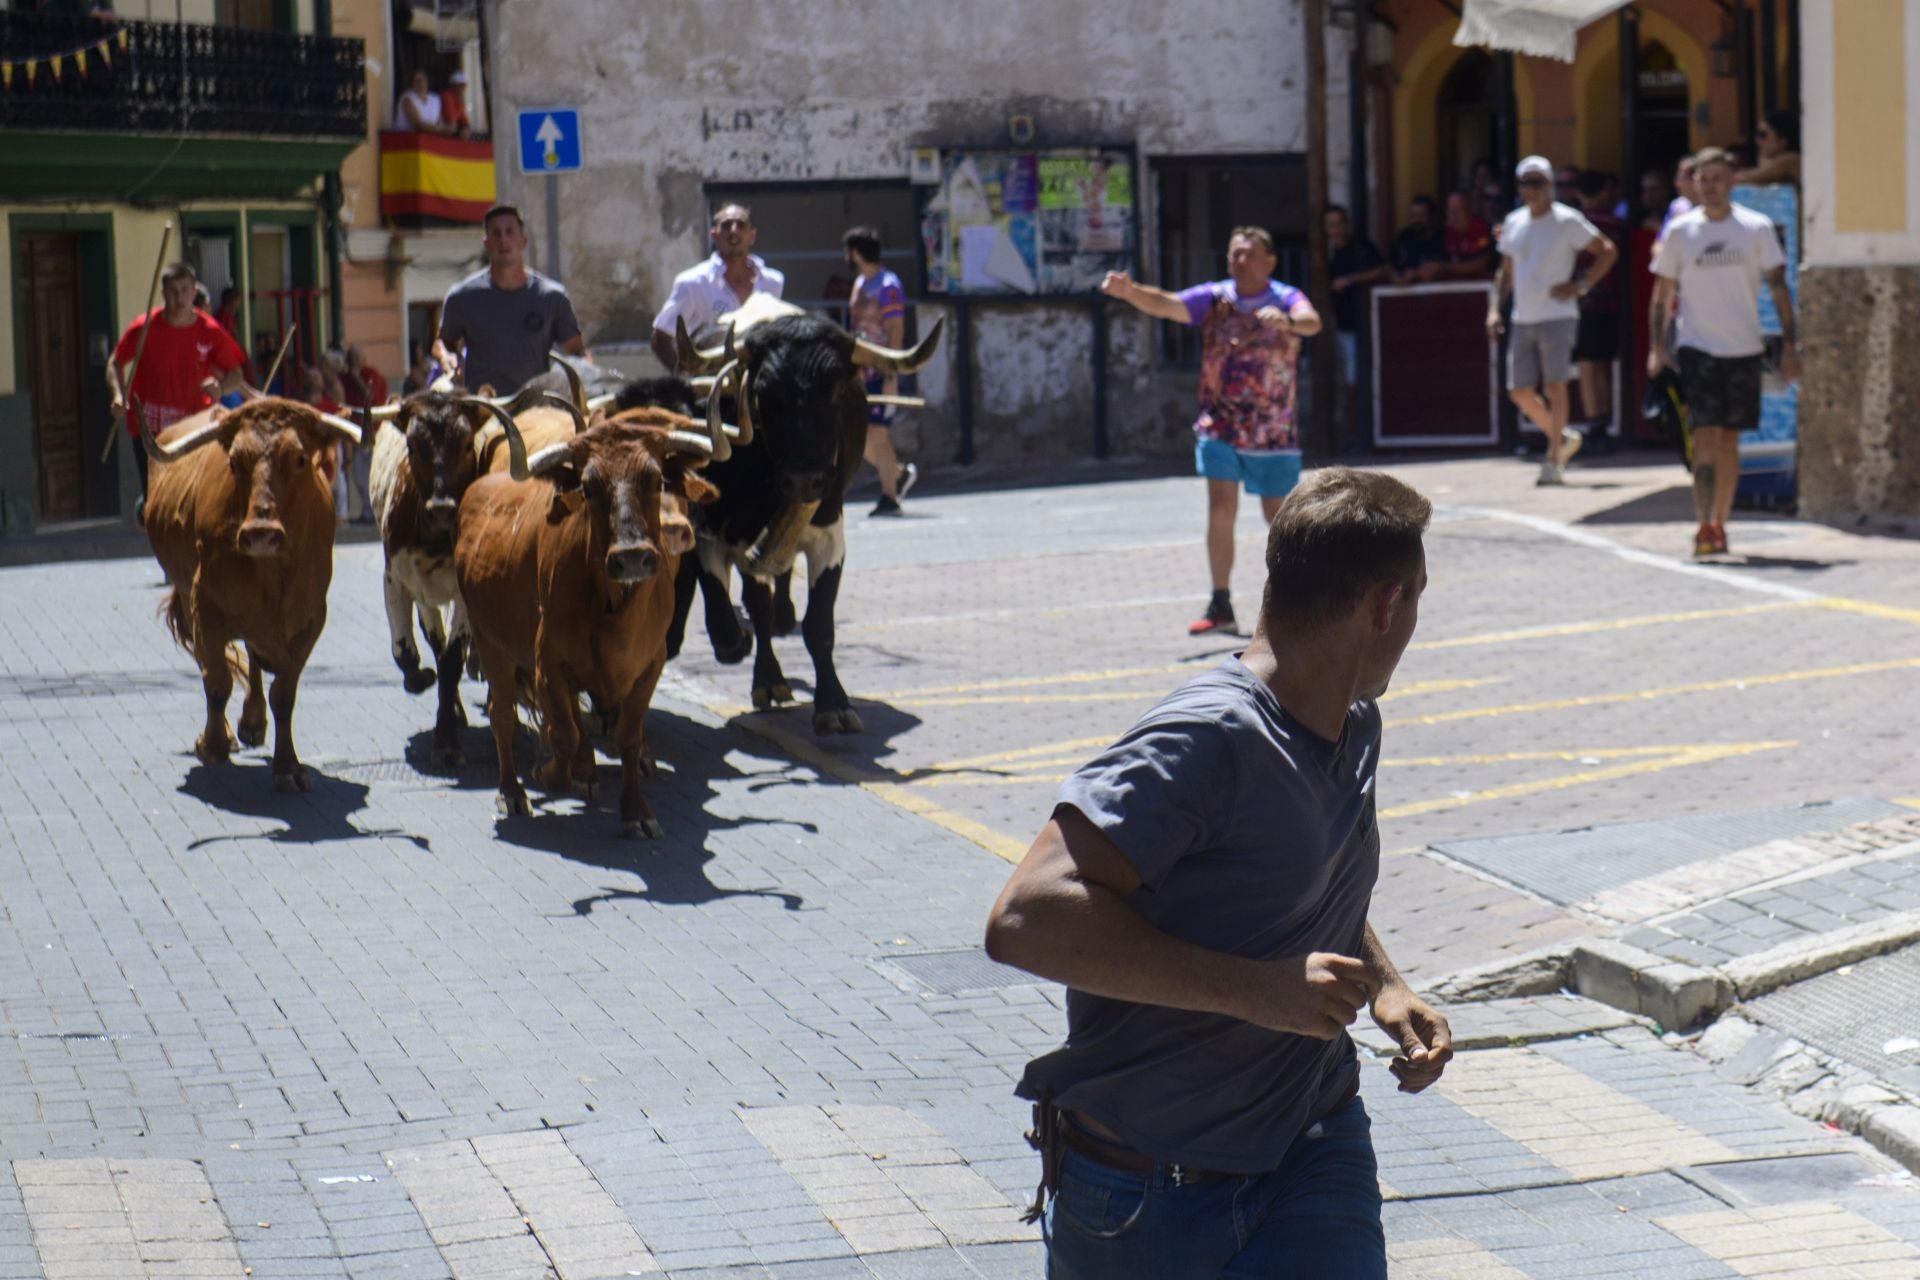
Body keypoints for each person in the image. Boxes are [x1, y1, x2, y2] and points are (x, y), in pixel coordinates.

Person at [984, 467, 1451, 1280]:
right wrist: (1259, 990)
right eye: (1416, 600)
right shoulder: (1206, 736)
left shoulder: (1355, 721)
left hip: (1314, 1145)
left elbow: (1302, 872)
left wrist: (1384, 984)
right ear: (1384, 606)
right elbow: (1024, 916)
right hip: (1149, 1194)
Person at [1100, 227, 1322, 636]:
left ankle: (1304, 598)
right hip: (1220, 424)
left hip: (1271, 429)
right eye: (1234, 254)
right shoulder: (1215, 298)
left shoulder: (1285, 296)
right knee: (1221, 507)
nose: (1239, 261)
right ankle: (1221, 601)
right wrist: (1130, 292)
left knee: (1279, 517)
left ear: (1269, 261)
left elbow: (1312, 322)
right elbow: (1167, 304)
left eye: (1249, 254)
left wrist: (1289, 321)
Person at [1648, 147, 1799, 559]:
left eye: (1717, 178)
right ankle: (1703, 524)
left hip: (1744, 347)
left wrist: (1790, 346)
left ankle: (1720, 522)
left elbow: (1778, 287)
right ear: (1693, 183)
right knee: (1704, 435)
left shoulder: (1756, 228)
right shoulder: (1681, 232)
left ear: (1732, 181)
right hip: (1697, 347)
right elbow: (1662, 293)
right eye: (1703, 179)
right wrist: (1657, 348)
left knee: (1730, 440)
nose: (1710, 186)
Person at [1486, 155, 1619, 485]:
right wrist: (1493, 309)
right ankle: (1560, 437)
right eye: (1525, 183)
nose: (1531, 190)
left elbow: (1607, 250)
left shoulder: (1566, 220)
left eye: (1537, 183)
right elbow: (1505, 271)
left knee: (1556, 386)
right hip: (1523, 316)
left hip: (1558, 314)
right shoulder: (1514, 221)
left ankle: (1552, 458)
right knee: (1518, 391)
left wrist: (1582, 285)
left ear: (1549, 185)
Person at [107, 261, 246, 499]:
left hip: (194, 426)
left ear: (194, 291)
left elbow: (236, 375)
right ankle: (147, 504)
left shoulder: (210, 331)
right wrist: (118, 395)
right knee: (157, 501)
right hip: (150, 428)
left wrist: (221, 387)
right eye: (173, 291)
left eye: (184, 290)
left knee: (195, 495)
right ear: (163, 294)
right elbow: (116, 362)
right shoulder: (144, 327)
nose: (179, 298)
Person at [434, 204, 587, 397]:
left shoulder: (552, 297)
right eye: (496, 233)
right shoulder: (461, 297)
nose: (503, 240)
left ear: (523, 241)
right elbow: (443, 341)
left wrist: (585, 377)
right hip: (484, 410)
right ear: (486, 243)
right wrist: (446, 356)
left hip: (535, 409)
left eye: (510, 232)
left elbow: (577, 351)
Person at [650, 203, 786, 372]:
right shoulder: (693, 282)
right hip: (713, 380)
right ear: (714, 235)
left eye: (741, 225)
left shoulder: (773, 282)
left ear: (752, 236)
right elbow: (661, 337)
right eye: (726, 225)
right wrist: (685, 376)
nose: (734, 231)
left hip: (760, 379)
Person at [843, 226, 919, 517]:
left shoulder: (888, 285)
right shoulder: (861, 283)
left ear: (856, 251)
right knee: (861, 438)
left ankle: (890, 495)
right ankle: (896, 475)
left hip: (881, 372)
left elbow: (895, 330)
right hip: (861, 373)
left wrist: (891, 374)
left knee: (877, 434)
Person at [1573, 170, 1625, 431]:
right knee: (1600, 363)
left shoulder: (1578, 223)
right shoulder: (1614, 222)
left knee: (1588, 364)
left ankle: (1595, 425)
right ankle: (1602, 420)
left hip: (1585, 301)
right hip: (1610, 302)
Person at [1325, 204, 1388, 413]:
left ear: (1347, 224)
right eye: (1331, 225)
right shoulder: (1326, 254)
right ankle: (1351, 428)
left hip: (1367, 324)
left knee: (1363, 377)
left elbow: (1381, 270)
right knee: (1348, 380)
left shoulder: (1362, 249)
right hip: (1342, 326)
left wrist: (1350, 279)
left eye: (1340, 223)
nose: (1336, 230)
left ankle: (1360, 426)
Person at [1431, 190, 1493, 280]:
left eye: (1458, 210)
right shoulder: (1444, 233)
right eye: (1450, 210)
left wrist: (1445, 268)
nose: (1454, 215)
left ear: (1470, 211)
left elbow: (1481, 265)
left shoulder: (1481, 229)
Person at [1737, 109, 1801, 186]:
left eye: (1763, 135)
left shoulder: (1791, 159)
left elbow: (1744, 179)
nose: (1757, 140)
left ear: (1783, 140)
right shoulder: (1781, 160)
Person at [1389, 197, 1445, 281]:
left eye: (1421, 216)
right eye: (1413, 216)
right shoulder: (1404, 237)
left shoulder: (1443, 238)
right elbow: (1390, 265)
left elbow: (1445, 268)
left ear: (1433, 216)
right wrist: (1395, 276)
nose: (1416, 220)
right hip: (1403, 291)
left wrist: (1416, 274)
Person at [398, 69, 444, 134]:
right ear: (412, 84)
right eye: (417, 81)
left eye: (423, 80)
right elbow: (418, 124)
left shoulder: (435, 99)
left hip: (430, 138)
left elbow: (440, 122)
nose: (421, 83)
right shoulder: (407, 98)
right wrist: (440, 129)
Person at [1639, 167, 1675, 233]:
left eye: (1653, 189)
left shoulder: (1675, 212)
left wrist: (1658, 227)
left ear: (1666, 190)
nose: (1648, 195)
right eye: (1645, 190)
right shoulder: (1638, 215)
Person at [440, 70, 472, 138]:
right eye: (461, 85)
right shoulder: (446, 95)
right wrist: (460, 105)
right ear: (454, 85)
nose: (463, 89)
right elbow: (451, 119)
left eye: (464, 86)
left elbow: (465, 121)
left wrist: (465, 128)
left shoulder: (458, 98)